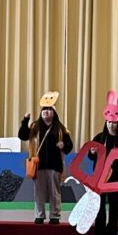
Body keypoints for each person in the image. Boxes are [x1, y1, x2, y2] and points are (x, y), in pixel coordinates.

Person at [18, 91, 73, 225]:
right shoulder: (35, 127)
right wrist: (25, 121)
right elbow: (22, 135)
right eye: (44, 109)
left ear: (54, 113)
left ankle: (55, 216)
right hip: (39, 165)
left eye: (49, 109)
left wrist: (63, 145)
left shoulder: (61, 129)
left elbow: (69, 146)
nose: (46, 112)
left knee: (55, 193)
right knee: (39, 193)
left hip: (55, 166)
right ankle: (39, 215)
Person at [88, 91, 118, 235]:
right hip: (100, 177)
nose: (111, 125)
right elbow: (90, 156)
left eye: (113, 123)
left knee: (114, 206)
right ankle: (99, 231)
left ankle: (112, 232)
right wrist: (92, 152)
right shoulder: (99, 137)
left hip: (115, 178)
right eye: (108, 122)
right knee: (99, 205)